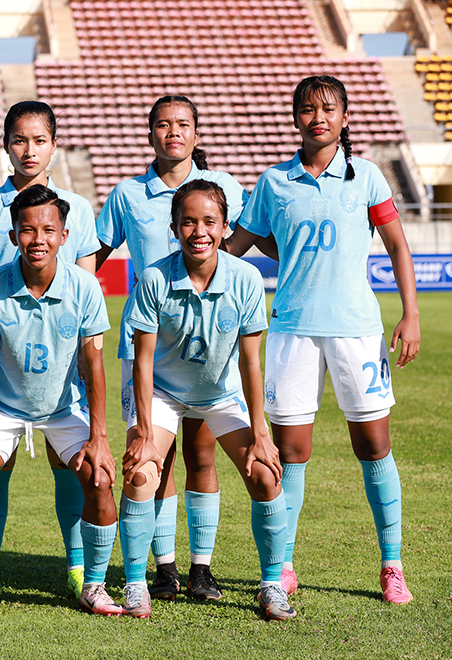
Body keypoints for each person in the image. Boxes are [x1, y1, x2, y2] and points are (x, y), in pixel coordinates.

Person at [226, 75, 419, 604]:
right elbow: (239, 242)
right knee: (291, 451)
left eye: (328, 109)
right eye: (308, 109)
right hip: (292, 329)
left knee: (373, 444)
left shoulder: (368, 177)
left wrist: (411, 315)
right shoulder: (274, 182)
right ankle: (283, 565)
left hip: (358, 329)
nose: (319, 117)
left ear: (345, 118)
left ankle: (391, 563)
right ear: (296, 118)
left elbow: (399, 247)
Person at [94, 95, 254, 601]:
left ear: (197, 133)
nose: (173, 133)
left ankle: (201, 568)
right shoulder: (127, 194)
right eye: (162, 125)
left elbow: (243, 242)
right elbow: (92, 254)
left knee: (202, 456)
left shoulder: (224, 187)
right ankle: (163, 570)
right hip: (149, 347)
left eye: (183, 124)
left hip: (209, 349)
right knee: (152, 459)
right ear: (150, 135)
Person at [119, 179, 292, 621]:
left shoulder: (247, 278)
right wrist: (141, 432)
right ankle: (137, 584)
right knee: (142, 475)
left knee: (266, 474)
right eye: (189, 221)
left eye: (209, 222)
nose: (200, 231)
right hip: (164, 392)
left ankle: (272, 585)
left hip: (221, 393)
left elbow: (252, 364)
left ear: (225, 225)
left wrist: (260, 433)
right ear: (174, 227)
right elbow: (141, 362)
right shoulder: (155, 277)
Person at [0, 100, 100, 603]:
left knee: (71, 466)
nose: (29, 150)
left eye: (39, 140)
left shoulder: (78, 209)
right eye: (20, 140)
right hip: (1, 361)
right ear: (5, 145)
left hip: (59, 361)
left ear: (54, 144)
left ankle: (80, 566)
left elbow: (85, 282)